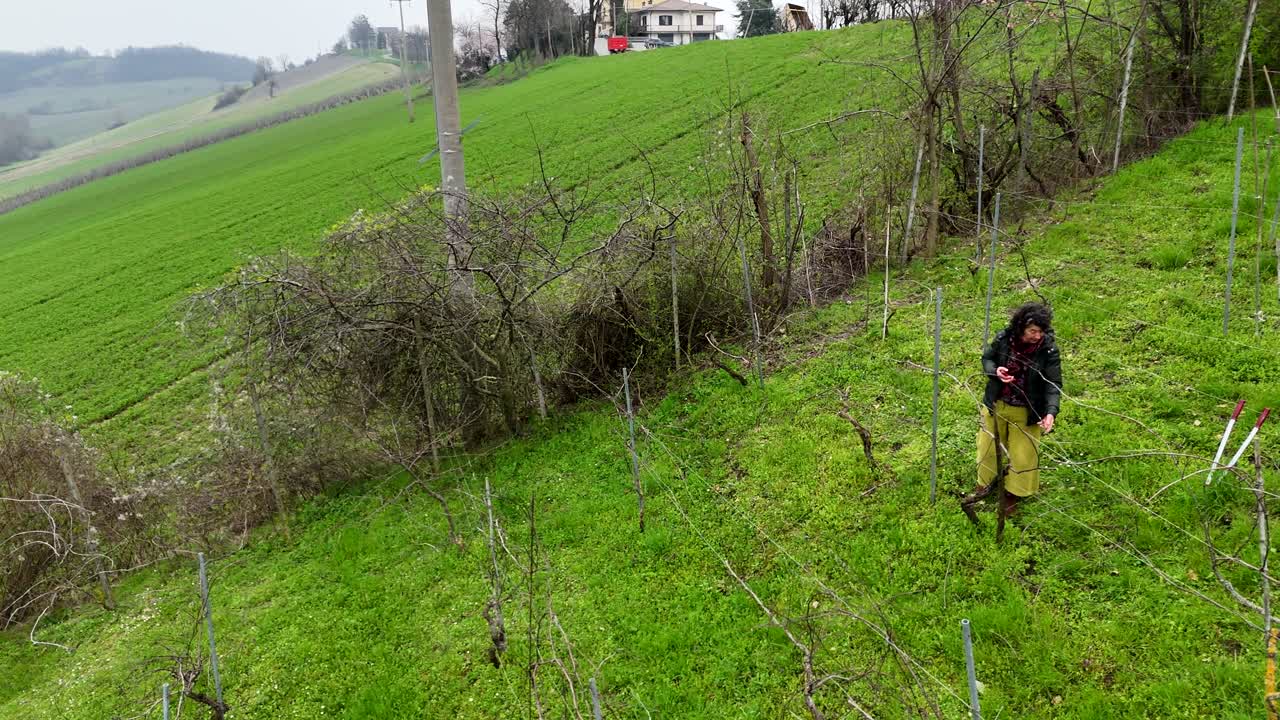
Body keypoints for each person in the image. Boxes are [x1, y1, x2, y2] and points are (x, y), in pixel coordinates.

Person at [976, 302, 1062, 514]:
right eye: (1033, 331)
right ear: (1021, 327)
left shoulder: (1048, 350)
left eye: (1041, 331)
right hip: (996, 403)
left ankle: (1012, 493)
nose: (1037, 336)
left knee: (1023, 456)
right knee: (987, 448)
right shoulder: (1004, 339)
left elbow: (1053, 384)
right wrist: (996, 371)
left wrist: (1050, 411)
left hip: (1027, 410)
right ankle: (984, 484)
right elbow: (987, 358)